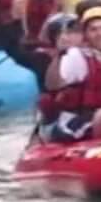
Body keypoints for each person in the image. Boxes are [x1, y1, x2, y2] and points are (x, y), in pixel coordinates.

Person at [43, 0, 101, 142]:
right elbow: (53, 85)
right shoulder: (76, 56)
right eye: (93, 29)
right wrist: (58, 56)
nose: (99, 34)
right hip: (74, 121)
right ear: (86, 34)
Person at [32, 12, 86, 142]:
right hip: (59, 120)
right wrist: (60, 55)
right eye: (60, 33)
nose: (66, 37)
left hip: (89, 116)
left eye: (72, 32)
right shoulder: (43, 58)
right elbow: (52, 85)